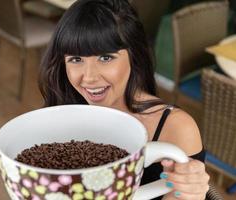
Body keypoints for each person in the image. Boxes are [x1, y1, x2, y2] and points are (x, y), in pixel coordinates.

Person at [38, 0, 210, 199]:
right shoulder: (61, 113)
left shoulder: (175, 128)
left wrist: (192, 192)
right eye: (76, 59)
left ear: (133, 56)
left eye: (105, 58)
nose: (89, 77)